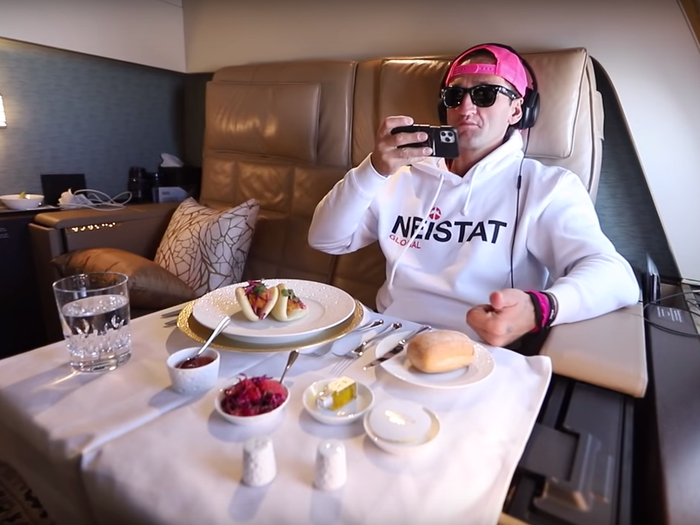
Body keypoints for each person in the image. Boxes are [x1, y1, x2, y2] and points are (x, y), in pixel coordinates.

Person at [307, 43, 639, 347]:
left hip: (479, 351)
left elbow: (616, 276)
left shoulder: (547, 187)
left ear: (517, 110)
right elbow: (326, 239)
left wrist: (539, 308)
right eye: (454, 96)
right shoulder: (399, 176)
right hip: (386, 339)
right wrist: (374, 169)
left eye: (485, 94)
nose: (466, 107)